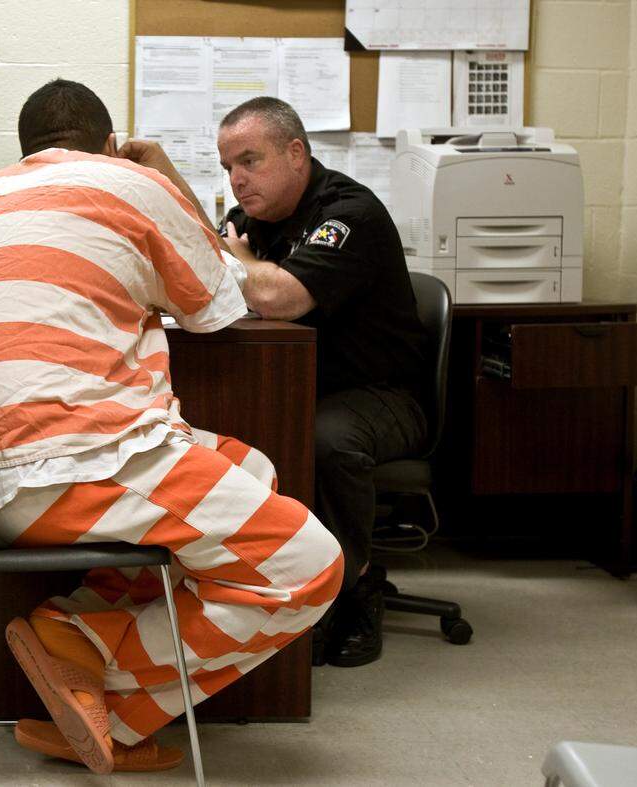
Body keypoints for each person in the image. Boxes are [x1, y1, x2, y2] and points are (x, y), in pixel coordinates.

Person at [0, 80, 343, 773]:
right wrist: (158, 179)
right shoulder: (128, 183)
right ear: (107, 146)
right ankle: (111, 698)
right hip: (91, 463)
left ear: (26, 153)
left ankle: (78, 635)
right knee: (310, 566)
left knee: (251, 470)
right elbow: (216, 302)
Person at [217, 97, 429, 667]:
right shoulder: (251, 223)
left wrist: (238, 263)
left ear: (295, 153)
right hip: (304, 384)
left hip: (381, 396)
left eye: (249, 161)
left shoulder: (347, 214)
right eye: (227, 167)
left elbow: (279, 295)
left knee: (323, 438)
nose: (237, 180)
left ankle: (356, 589)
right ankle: (270, 587)